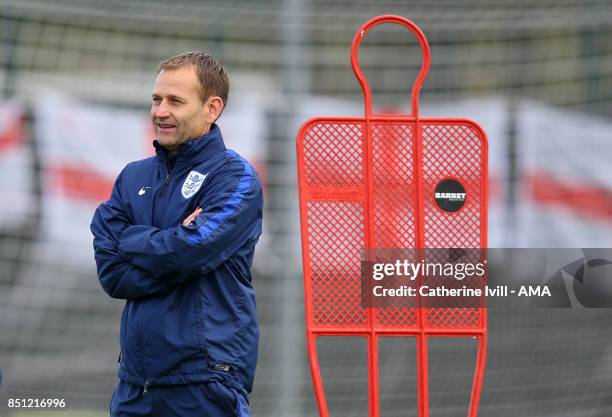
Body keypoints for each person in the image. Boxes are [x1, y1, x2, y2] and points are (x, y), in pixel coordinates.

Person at [90, 51, 263, 417]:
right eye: (156, 99)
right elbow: (112, 274)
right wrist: (172, 243)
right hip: (135, 387)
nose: (160, 111)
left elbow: (191, 251)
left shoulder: (234, 178)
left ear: (212, 108)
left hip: (205, 383)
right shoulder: (132, 177)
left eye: (175, 101)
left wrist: (131, 239)